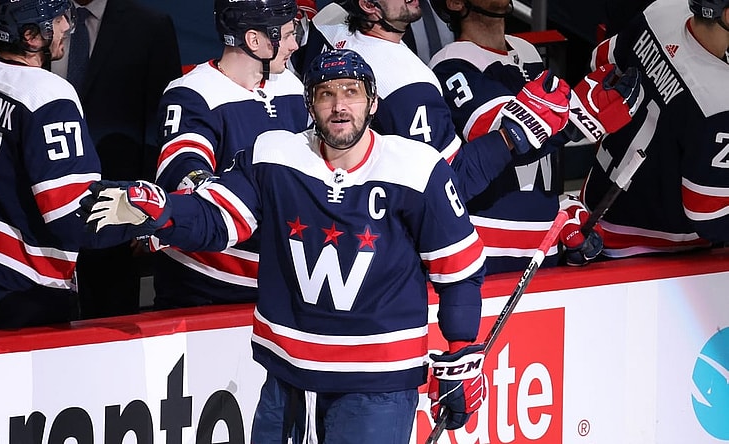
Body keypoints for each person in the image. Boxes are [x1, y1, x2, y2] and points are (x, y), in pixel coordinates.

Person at [79, 49, 488, 442]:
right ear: (309, 105)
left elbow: (460, 270)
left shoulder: (418, 169)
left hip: (375, 384)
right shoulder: (274, 155)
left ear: (373, 101)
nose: (339, 106)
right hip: (287, 380)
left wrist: (462, 354)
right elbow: (217, 219)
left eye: (351, 91)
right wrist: (161, 212)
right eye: (327, 94)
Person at [0, 0, 118, 334]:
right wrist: (148, 216)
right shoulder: (48, 94)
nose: (66, 25)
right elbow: (71, 213)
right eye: (57, 19)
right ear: (31, 35)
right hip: (22, 277)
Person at [292, 0, 574, 205]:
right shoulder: (411, 83)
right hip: (364, 221)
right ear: (367, 5)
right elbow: (451, 184)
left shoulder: (327, 22)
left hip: (309, 191)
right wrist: (513, 135)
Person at [428, 0, 641, 271]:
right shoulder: (449, 63)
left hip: (543, 248)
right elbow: (504, 134)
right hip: (485, 250)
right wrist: (579, 117)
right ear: (455, 3)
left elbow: (544, 141)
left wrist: (561, 208)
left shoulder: (526, 50)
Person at [150, 0, 310, 309]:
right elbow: (184, 176)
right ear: (254, 40)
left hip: (280, 284)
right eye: (288, 34)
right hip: (205, 287)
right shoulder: (191, 93)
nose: (294, 44)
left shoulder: (292, 86)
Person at [57, 0, 182, 318]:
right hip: (41, 205)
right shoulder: (33, 18)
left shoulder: (150, 27)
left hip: (115, 205)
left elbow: (161, 129)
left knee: (109, 317)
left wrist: (148, 217)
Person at [578, 0, 729, 259]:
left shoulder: (662, 10)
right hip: (651, 249)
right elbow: (710, 216)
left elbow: (601, 62)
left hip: (590, 207)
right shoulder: (718, 102)